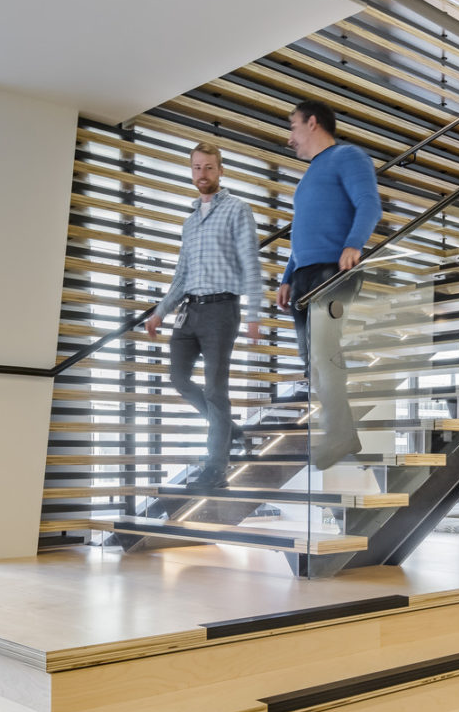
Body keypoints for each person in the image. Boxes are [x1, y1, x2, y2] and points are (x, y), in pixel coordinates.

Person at [145, 142, 261, 491]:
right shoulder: (190, 222)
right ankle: (233, 431)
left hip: (222, 311)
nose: (203, 174)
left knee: (215, 390)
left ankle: (216, 468)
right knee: (179, 379)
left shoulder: (238, 210)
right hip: (189, 311)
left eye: (209, 167)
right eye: (197, 167)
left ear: (221, 170)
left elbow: (251, 262)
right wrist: (160, 312)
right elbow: (181, 275)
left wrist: (254, 312)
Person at [274, 98, 380, 470]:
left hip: (333, 271)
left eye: (293, 126)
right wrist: (287, 277)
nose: (290, 137)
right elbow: (302, 233)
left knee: (323, 352)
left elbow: (369, 203)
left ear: (313, 123)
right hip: (304, 276)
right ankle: (344, 432)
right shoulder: (309, 177)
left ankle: (337, 433)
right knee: (312, 363)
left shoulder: (348, 157)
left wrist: (354, 244)